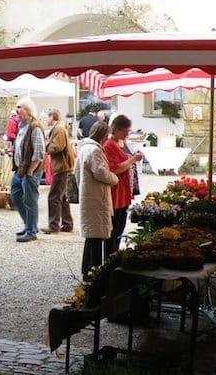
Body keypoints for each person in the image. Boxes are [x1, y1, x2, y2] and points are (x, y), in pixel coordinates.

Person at [76, 121, 118, 279]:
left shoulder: (85, 147)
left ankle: (87, 270)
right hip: (96, 197)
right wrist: (114, 178)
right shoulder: (95, 150)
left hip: (88, 194)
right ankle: (93, 272)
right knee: (96, 236)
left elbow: (76, 171)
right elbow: (100, 172)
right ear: (102, 135)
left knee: (91, 236)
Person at [101, 114, 144, 256]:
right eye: (126, 131)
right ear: (118, 129)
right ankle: (110, 256)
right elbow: (115, 168)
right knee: (114, 229)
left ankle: (114, 254)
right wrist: (133, 159)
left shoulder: (120, 142)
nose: (127, 134)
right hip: (116, 194)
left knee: (119, 228)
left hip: (123, 193)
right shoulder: (109, 145)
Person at [10, 98, 46, 242]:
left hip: (30, 170)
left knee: (30, 201)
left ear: (28, 110)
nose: (17, 110)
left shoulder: (35, 127)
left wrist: (31, 170)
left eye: (20, 107)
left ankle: (31, 231)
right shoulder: (21, 125)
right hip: (20, 169)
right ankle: (30, 225)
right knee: (15, 194)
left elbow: (39, 152)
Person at [40, 108, 74, 234]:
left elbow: (58, 147)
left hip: (61, 167)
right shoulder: (59, 128)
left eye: (47, 117)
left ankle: (53, 226)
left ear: (52, 117)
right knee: (62, 197)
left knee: (54, 196)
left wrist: (47, 146)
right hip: (62, 166)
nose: (45, 120)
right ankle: (67, 223)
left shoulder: (58, 128)